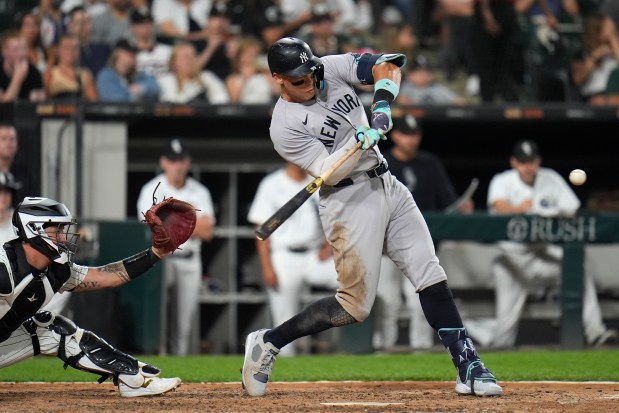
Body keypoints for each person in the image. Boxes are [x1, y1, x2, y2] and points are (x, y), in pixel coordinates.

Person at [241, 37, 503, 397]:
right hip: (346, 199)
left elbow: (389, 64)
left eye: (311, 72)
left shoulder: (330, 68)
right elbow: (328, 173)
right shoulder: (283, 126)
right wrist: (355, 144)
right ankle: (270, 340)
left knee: (429, 271)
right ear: (278, 79)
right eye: (299, 79)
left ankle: (468, 363)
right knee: (354, 307)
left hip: (386, 182)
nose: (310, 81)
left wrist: (381, 108)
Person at [0, 196, 181, 397]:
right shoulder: (3, 267)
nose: (63, 237)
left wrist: (155, 253)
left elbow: (108, 276)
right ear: (34, 228)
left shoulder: (56, 272)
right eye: (57, 230)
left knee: (53, 328)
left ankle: (134, 379)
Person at [487, 139, 618, 347]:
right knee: (504, 332)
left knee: (578, 269)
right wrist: (519, 209)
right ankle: (489, 357)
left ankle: (595, 333)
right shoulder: (503, 180)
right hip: (510, 260)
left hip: (540, 253)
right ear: (514, 162)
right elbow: (498, 206)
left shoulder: (550, 179)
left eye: (531, 161)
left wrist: (550, 212)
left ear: (537, 161)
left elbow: (572, 208)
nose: (527, 166)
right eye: (523, 162)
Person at [373, 114, 473, 351]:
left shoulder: (429, 163)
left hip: (418, 244)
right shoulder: (381, 161)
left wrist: (461, 206)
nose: (410, 140)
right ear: (395, 136)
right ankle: (383, 351)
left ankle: (421, 350)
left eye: (414, 134)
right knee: (388, 303)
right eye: (405, 134)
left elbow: (447, 201)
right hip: (385, 245)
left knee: (421, 302)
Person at [247, 161, 338, 356]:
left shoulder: (318, 181)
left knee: (349, 281)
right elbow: (261, 230)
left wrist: (328, 245)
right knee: (284, 317)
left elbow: (335, 217)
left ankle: (348, 348)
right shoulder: (271, 184)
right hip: (284, 256)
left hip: (315, 256)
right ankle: (286, 370)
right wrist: (266, 267)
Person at [136, 138, 215, 355]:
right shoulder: (151, 189)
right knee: (158, 318)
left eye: (181, 160)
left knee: (183, 325)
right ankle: (159, 362)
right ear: (164, 162)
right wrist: (190, 224)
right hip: (161, 260)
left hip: (189, 260)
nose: (177, 165)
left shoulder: (199, 191)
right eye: (172, 160)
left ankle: (178, 367)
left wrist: (170, 222)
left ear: (187, 162)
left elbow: (207, 231)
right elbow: (152, 228)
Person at [157, 42, 229, 104]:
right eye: (185, 57)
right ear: (174, 62)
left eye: (192, 56)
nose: (189, 60)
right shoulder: (165, 81)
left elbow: (221, 99)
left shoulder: (207, 77)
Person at [43, 34, 97, 101]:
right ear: (58, 50)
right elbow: (44, 102)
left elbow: (93, 101)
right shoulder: (50, 74)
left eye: (74, 48)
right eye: (66, 48)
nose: (70, 51)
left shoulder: (85, 75)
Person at [0, 30, 46, 102]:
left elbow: (38, 106)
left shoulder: (34, 73)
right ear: (4, 52)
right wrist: (17, 78)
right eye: (16, 50)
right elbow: (4, 106)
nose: (21, 54)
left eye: (23, 48)